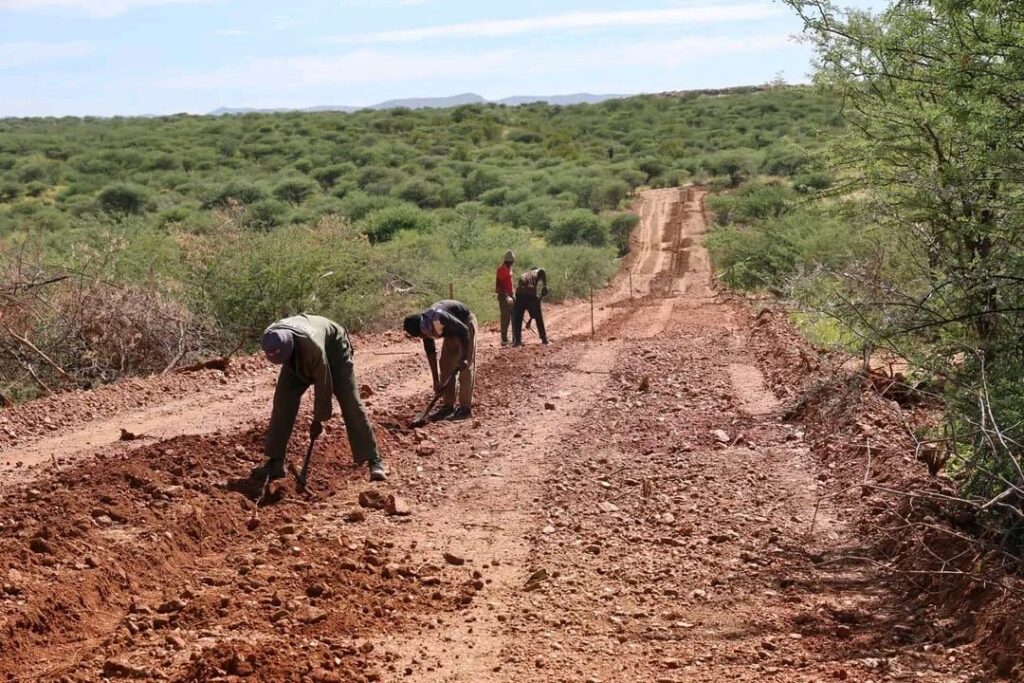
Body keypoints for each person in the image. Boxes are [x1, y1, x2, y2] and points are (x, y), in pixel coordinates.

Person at [253, 314, 386, 483]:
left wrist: (318, 419)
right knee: (282, 400)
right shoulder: (271, 337)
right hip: (296, 353)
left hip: (334, 350)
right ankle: (275, 462)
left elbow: (323, 384)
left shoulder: (313, 348)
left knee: (350, 401)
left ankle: (373, 461)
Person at [403, 300, 477, 421]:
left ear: (422, 327)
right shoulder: (425, 329)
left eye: (422, 335)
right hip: (451, 330)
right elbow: (431, 353)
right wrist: (436, 380)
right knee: (445, 364)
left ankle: (465, 408)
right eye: (420, 336)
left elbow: (463, 330)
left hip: (465, 324)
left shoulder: (438, 317)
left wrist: (463, 357)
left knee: (465, 366)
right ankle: (448, 406)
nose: (423, 337)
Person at [512, 267, 548, 347]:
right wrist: (545, 285)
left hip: (519, 294)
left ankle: (517, 341)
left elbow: (521, 283)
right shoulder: (537, 271)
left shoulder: (525, 274)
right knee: (538, 317)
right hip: (530, 293)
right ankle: (544, 339)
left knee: (517, 318)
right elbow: (543, 271)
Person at [496, 250, 515, 346]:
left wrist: (513, 295)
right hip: (504, 296)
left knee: (514, 317)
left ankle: (516, 339)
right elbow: (501, 285)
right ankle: (504, 339)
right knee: (506, 318)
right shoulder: (502, 269)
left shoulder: (509, 268)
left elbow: (510, 283)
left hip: (511, 295)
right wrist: (507, 296)